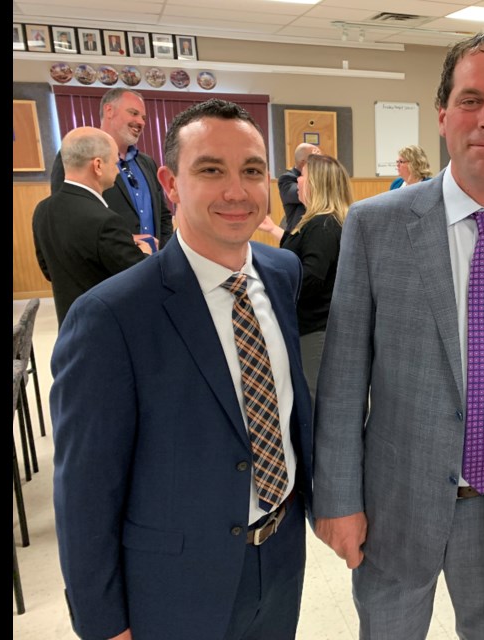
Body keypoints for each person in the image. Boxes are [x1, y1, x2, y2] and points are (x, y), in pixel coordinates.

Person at [312, 30, 484, 639]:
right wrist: (335, 498)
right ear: (442, 116)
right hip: (394, 503)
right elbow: (343, 378)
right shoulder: (375, 225)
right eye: (470, 100)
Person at [51, 99, 313, 640]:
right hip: (174, 580)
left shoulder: (283, 274)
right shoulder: (111, 316)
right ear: (170, 183)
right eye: (211, 170)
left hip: (281, 555)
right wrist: (104, 623)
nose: (236, 191)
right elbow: (85, 489)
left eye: (251, 171)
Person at [33, 127, 150, 326]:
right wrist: (146, 252)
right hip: (105, 330)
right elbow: (141, 279)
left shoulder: (42, 210)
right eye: (114, 163)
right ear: (97, 165)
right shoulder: (106, 221)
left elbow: (48, 270)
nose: (117, 170)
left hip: (69, 324)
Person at [258, 154, 351, 397]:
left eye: (303, 176)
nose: (297, 182)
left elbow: (311, 277)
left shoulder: (323, 225)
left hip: (314, 330)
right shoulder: (316, 222)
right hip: (308, 328)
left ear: (317, 183)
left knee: (313, 400)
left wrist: (270, 281)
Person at [52, 88, 174, 250]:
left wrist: (163, 252)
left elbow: (163, 216)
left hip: (152, 266)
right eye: (134, 113)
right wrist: (124, 242)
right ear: (109, 110)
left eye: (143, 117)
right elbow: (66, 219)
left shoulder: (147, 163)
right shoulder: (74, 155)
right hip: (108, 267)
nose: (141, 122)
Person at [278, 142, 321, 231]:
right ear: (303, 164)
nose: (320, 165)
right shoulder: (287, 179)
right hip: (297, 235)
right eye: (315, 161)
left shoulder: (320, 179)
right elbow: (304, 193)